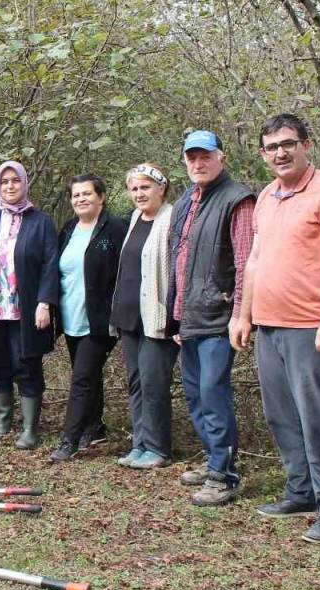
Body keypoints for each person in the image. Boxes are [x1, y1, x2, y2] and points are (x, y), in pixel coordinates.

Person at [233, 113, 320, 542]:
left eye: (288, 143)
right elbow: (254, 261)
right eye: (271, 147)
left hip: (314, 327)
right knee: (283, 416)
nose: (280, 153)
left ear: (307, 144)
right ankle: (301, 491)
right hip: (271, 327)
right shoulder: (268, 196)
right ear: (262, 154)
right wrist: (243, 314)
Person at [168, 130, 256, 506]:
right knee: (194, 394)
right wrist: (175, 317)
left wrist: (241, 315)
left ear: (221, 157)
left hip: (220, 319)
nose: (198, 163)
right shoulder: (186, 200)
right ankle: (213, 459)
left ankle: (225, 474)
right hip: (189, 319)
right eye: (191, 157)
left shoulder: (238, 199)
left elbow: (246, 263)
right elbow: (179, 263)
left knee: (213, 393)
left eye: (205, 156)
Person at [0, 160, 59, 448]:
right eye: (4, 182)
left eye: (15, 181)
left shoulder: (41, 222)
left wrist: (45, 302)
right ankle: (3, 422)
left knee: (26, 363)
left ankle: (29, 428)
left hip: (25, 308)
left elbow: (50, 265)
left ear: (24, 183)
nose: (10, 186)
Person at [49, 174, 127, 462]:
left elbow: (127, 271)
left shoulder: (116, 228)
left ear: (101, 197)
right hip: (71, 318)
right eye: (75, 195)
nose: (80, 199)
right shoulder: (69, 229)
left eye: (86, 194)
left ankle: (70, 439)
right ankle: (95, 427)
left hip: (100, 321)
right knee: (88, 376)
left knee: (81, 378)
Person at [111, 163, 180, 471]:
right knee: (136, 382)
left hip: (157, 317)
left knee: (154, 383)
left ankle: (157, 447)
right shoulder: (136, 218)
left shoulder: (171, 218)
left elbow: (179, 270)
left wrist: (178, 316)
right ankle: (140, 442)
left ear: (161, 189)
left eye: (145, 187)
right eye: (135, 188)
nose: (139, 194)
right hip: (129, 315)